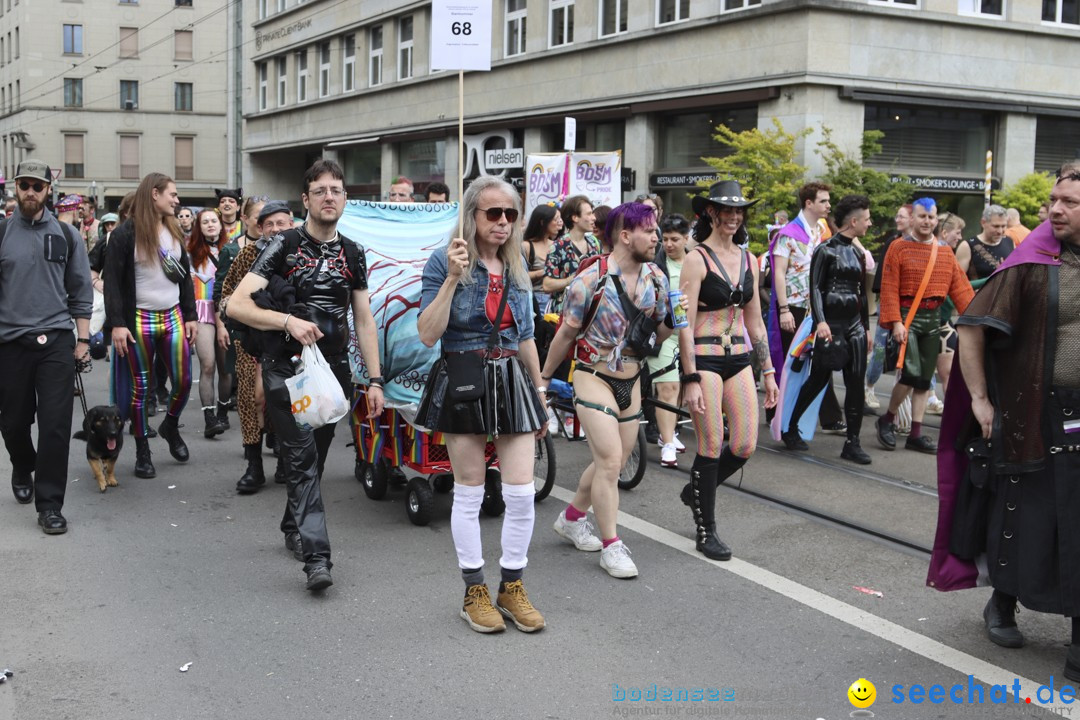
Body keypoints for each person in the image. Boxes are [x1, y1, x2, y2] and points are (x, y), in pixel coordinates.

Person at [930, 163, 1080, 683]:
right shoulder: (1032, 260)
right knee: (1024, 515)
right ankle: (1003, 602)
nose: (1056, 209)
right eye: (1054, 200)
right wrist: (978, 400)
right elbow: (970, 326)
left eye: (1070, 202)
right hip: (1034, 410)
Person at [228, 159, 384, 593]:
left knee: (311, 458)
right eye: (320, 190)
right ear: (306, 200)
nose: (329, 196)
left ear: (344, 198)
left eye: (336, 189)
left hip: (332, 373)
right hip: (288, 370)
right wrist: (286, 322)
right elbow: (236, 306)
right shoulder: (280, 246)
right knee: (300, 460)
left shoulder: (353, 251)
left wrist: (375, 380)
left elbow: (364, 319)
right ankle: (318, 558)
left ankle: (291, 524)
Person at [416, 175, 547, 632]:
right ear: (471, 215)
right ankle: (474, 591)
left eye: (511, 214)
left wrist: (540, 392)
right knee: (469, 493)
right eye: (493, 213)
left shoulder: (516, 265)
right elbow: (428, 332)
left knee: (521, 493)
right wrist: (452, 279)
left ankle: (512, 586)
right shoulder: (443, 260)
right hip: (464, 375)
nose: (504, 222)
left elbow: (527, 336)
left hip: (511, 376)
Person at [541, 202, 673, 578]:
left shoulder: (657, 279)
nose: (656, 236)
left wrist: (674, 323)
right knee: (612, 461)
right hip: (592, 374)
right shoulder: (590, 280)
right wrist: (544, 380)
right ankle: (612, 545)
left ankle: (570, 519)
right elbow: (566, 333)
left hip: (631, 379)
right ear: (625, 235)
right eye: (648, 230)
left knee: (607, 463)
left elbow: (658, 334)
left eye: (656, 229)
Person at [679, 181, 778, 560]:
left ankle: (696, 491)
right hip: (703, 359)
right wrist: (688, 377)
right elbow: (683, 322)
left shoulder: (751, 260)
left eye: (739, 212)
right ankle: (707, 530)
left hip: (738, 359)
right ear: (711, 213)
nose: (734, 217)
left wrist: (768, 372)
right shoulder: (695, 258)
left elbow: (755, 324)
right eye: (726, 211)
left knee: (744, 445)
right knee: (709, 446)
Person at [0, 159, 93, 535]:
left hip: (56, 340)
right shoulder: (3, 233)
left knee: (55, 426)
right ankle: (23, 465)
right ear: (16, 189)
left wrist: (83, 340)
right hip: (10, 342)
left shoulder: (68, 236)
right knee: (13, 422)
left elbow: (81, 292)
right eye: (25, 185)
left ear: (48, 191)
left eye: (38, 186)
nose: (31, 192)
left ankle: (50, 505)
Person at [104, 173, 197, 479]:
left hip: (173, 317)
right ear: (155, 194)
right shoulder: (124, 234)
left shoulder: (174, 230)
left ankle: (170, 425)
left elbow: (183, 277)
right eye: (172, 194)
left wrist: (191, 315)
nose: (177, 200)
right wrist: (117, 324)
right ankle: (143, 452)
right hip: (138, 320)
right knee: (141, 389)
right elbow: (112, 284)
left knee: (183, 382)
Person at [875, 197, 974, 454]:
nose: (927, 221)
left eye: (931, 217)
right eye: (921, 216)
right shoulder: (898, 247)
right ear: (913, 218)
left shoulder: (944, 251)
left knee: (923, 380)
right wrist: (895, 322)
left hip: (933, 319)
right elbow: (888, 288)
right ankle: (887, 418)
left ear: (936, 219)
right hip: (907, 316)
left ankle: (916, 433)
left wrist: (977, 318)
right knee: (910, 374)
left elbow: (961, 287)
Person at [781, 194, 873, 464]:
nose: (870, 224)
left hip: (854, 325)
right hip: (830, 325)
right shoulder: (825, 250)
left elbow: (862, 294)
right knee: (818, 379)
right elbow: (816, 289)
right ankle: (790, 426)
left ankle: (852, 442)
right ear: (854, 221)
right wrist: (821, 321)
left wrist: (866, 328)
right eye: (866, 220)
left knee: (856, 382)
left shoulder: (857, 252)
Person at [220, 200, 294, 494]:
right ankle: (253, 465)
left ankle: (284, 461)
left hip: (288, 342)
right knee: (251, 399)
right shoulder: (247, 254)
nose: (276, 229)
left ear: (292, 225)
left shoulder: (299, 255)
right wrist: (241, 313)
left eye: (281, 223)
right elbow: (226, 295)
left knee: (283, 399)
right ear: (260, 228)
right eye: (269, 224)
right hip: (249, 341)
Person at [766, 181, 843, 432]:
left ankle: (829, 416)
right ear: (809, 203)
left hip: (816, 307)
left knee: (822, 359)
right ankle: (777, 412)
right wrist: (784, 309)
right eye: (823, 201)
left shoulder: (822, 231)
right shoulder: (788, 233)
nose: (828, 205)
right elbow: (778, 274)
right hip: (795, 307)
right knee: (791, 363)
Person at [213, 197, 266, 426]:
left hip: (270, 326)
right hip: (240, 327)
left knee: (269, 386)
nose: (265, 223)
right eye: (259, 218)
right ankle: (252, 448)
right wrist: (221, 326)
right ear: (244, 219)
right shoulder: (232, 250)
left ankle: (272, 434)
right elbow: (220, 291)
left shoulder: (281, 247)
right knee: (246, 388)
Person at [647, 213, 690, 468]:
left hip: (690, 333)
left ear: (687, 238)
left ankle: (669, 433)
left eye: (676, 239)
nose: (670, 244)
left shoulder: (696, 262)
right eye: (666, 239)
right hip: (664, 333)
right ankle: (668, 441)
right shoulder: (655, 264)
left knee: (683, 390)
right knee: (667, 388)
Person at [187, 209, 231, 439]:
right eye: (205, 222)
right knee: (207, 365)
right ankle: (209, 418)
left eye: (214, 221)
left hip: (225, 311)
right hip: (201, 310)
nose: (211, 225)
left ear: (221, 224)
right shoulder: (190, 252)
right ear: (199, 227)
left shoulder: (231, 249)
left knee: (225, 368)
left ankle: (223, 410)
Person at [866, 204, 913, 410]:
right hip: (889, 305)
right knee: (879, 349)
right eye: (897, 216)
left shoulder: (926, 245)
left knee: (916, 354)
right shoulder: (893, 242)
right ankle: (869, 386)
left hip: (912, 309)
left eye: (901, 216)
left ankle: (926, 395)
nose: (897, 220)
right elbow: (882, 281)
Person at [543, 194, 601, 314]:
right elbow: (547, 285)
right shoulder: (558, 246)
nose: (594, 218)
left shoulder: (594, 244)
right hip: (564, 311)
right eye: (589, 214)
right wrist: (574, 278)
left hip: (590, 311)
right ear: (575, 218)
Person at [955, 205, 1014, 282]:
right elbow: (957, 282)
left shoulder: (1009, 241)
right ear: (983, 223)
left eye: (1003, 226)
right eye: (996, 226)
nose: (1000, 231)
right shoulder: (967, 246)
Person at [522, 204, 563, 312]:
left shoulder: (556, 245)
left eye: (560, 219)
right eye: (555, 219)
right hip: (536, 300)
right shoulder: (526, 246)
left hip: (557, 300)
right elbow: (517, 276)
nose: (559, 223)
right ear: (542, 222)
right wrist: (542, 272)